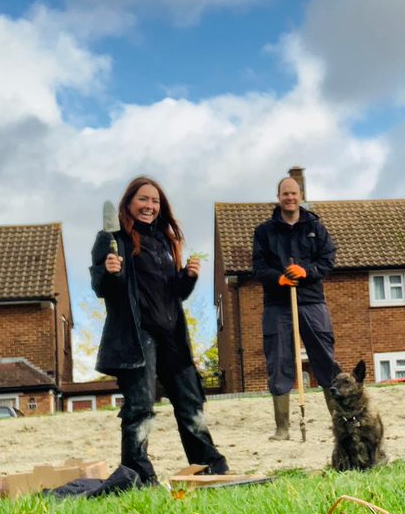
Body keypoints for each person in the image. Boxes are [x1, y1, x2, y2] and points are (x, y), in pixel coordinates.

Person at [90, 176, 229, 486]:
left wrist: (188, 278)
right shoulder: (112, 238)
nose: (149, 206)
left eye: (154, 201)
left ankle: (211, 468)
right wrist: (110, 272)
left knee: (190, 403)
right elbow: (101, 287)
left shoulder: (166, 241)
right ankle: (137, 476)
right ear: (129, 203)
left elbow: (173, 294)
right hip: (137, 337)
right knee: (140, 409)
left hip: (172, 336)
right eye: (143, 200)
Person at [252, 176, 339, 440]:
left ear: (300, 195)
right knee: (278, 360)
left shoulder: (315, 226)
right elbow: (258, 267)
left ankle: (339, 421)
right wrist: (277, 278)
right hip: (278, 305)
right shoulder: (264, 231)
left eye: (293, 193)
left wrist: (307, 271)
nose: (289, 198)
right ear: (278, 196)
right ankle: (282, 428)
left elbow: (328, 259)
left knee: (324, 357)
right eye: (284, 194)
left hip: (312, 301)